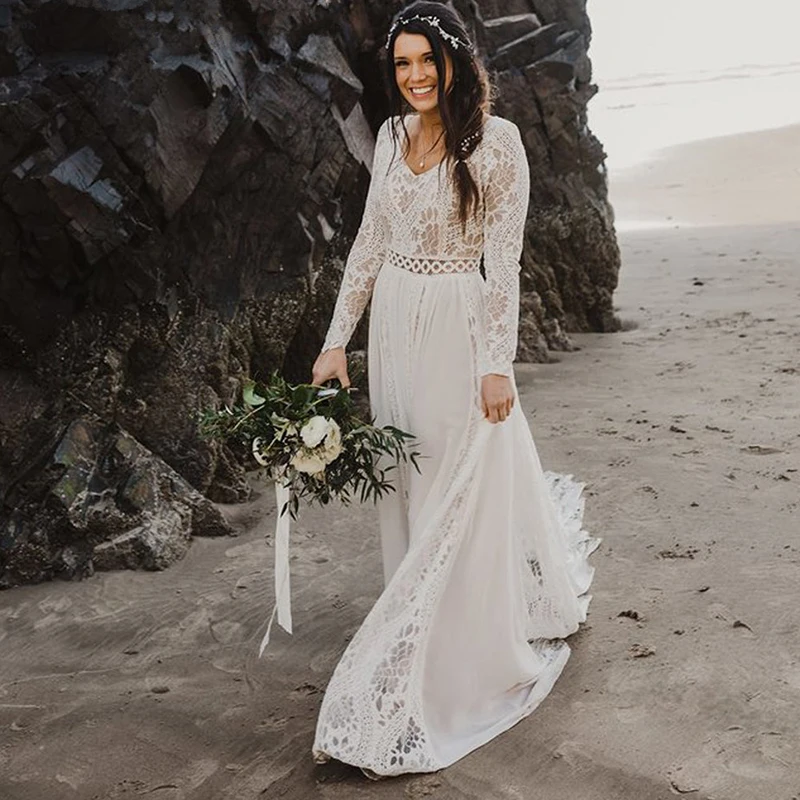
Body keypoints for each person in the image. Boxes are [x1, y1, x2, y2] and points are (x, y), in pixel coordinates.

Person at [310, 1, 600, 778]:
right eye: (401, 64)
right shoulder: (390, 135)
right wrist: (337, 341)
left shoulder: (496, 142)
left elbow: (503, 263)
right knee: (408, 477)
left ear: (453, 62)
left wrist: (497, 362)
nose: (414, 77)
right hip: (393, 329)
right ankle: (415, 616)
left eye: (425, 61)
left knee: (452, 480)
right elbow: (369, 243)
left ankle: (451, 647)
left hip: (457, 328)